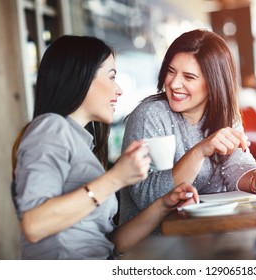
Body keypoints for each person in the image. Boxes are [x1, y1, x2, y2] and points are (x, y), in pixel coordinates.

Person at [11, 35, 199, 260]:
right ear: (80, 77)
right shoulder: (51, 128)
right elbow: (34, 225)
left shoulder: (81, 144)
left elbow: (110, 243)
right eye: (111, 77)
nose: (118, 90)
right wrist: (115, 179)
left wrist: (163, 206)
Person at [119, 29, 256, 226]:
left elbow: (236, 167)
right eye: (171, 71)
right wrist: (199, 151)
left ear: (213, 83)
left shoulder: (224, 114)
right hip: (156, 244)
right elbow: (146, 196)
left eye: (189, 77)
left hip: (208, 233)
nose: (174, 83)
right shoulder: (150, 115)